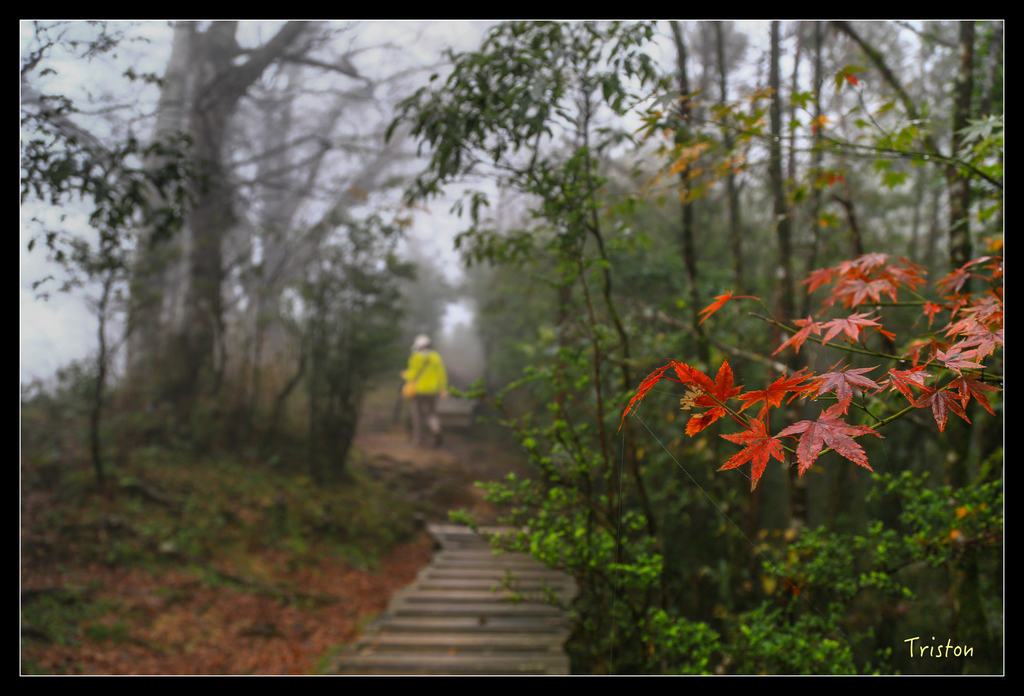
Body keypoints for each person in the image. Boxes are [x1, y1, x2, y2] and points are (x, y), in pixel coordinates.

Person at [401, 334, 448, 447]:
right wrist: (443, 389)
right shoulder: (435, 357)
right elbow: (442, 374)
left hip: (418, 391)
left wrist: (404, 374)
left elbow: (412, 375)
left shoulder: (415, 357)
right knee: (432, 413)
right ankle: (436, 431)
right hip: (432, 390)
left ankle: (419, 439)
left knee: (417, 415)